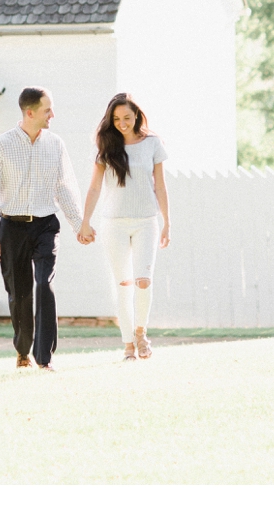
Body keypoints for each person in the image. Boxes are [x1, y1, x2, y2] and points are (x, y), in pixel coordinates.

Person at [0, 86, 89, 371]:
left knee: (44, 284)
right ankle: (23, 351)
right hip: (11, 227)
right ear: (29, 113)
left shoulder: (56, 144)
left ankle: (45, 357)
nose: (53, 114)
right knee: (20, 294)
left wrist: (79, 224)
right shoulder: (1, 145)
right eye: (47, 110)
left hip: (45, 225)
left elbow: (65, 188)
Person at [79, 93, 170, 361]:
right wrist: (85, 222)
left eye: (127, 118)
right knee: (124, 284)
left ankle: (141, 333)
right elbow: (95, 187)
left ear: (137, 116)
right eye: (116, 119)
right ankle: (128, 344)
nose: (122, 123)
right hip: (114, 224)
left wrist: (167, 222)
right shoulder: (107, 147)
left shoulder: (152, 144)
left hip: (146, 222)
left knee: (144, 280)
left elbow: (160, 186)